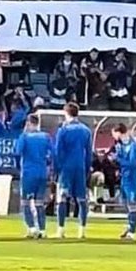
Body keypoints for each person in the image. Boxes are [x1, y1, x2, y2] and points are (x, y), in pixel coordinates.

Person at [53, 101, 93, 240]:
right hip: (80, 167)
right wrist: (87, 168)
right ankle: (81, 230)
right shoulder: (86, 130)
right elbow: (89, 152)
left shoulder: (63, 130)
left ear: (66, 113)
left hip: (66, 167)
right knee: (82, 199)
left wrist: (56, 169)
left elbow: (58, 151)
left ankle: (61, 230)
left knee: (62, 198)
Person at [15, 113, 52, 239]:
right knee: (39, 203)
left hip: (28, 173)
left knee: (25, 202)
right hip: (41, 173)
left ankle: (31, 229)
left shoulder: (24, 137)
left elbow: (18, 152)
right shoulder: (46, 136)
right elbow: (52, 154)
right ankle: (43, 230)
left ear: (28, 124)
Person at [112, 123, 136, 242]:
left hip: (133, 178)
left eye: (114, 134)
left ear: (119, 132)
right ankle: (130, 226)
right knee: (125, 204)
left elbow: (131, 163)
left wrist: (117, 159)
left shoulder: (134, 146)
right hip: (124, 178)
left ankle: (132, 232)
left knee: (132, 204)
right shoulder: (120, 145)